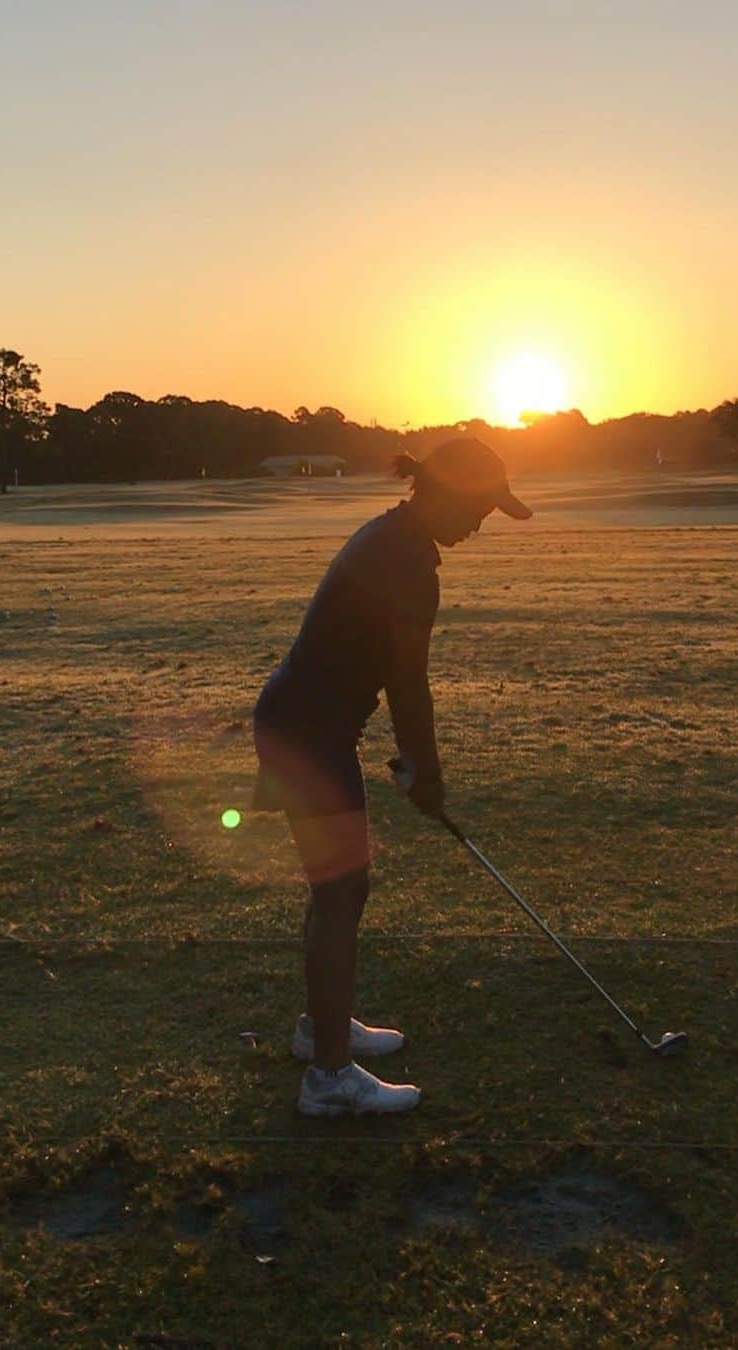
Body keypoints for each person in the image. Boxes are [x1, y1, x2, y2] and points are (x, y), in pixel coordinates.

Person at [252, 438, 532, 1117]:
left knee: (339, 887)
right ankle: (328, 1078)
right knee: (341, 890)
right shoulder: (407, 562)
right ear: (445, 491)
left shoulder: (395, 537)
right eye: (479, 508)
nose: (480, 524)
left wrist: (415, 765)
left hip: (306, 724)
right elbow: (409, 686)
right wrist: (427, 775)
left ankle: (321, 1027)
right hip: (308, 733)